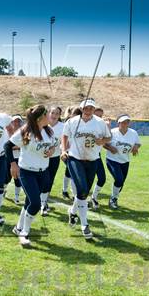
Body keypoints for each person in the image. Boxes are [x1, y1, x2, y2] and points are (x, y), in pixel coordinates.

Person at [5, 105, 55, 246]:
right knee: (35, 203)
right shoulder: (25, 131)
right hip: (27, 172)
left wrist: (51, 150)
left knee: (29, 202)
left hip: (43, 172)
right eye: (47, 114)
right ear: (40, 118)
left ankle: (18, 228)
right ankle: (24, 233)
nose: (49, 116)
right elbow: (7, 146)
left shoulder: (48, 130)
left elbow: (53, 145)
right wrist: (13, 165)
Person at [61, 98, 111, 239]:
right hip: (75, 159)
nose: (88, 110)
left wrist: (102, 141)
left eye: (91, 108)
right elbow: (64, 136)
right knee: (82, 189)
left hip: (93, 160)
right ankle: (85, 225)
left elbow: (108, 137)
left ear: (94, 109)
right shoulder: (72, 121)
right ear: (81, 108)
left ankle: (72, 211)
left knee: (84, 193)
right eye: (86, 108)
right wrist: (64, 150)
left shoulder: (100, 123)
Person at [104, 114, 141, 209]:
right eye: (123, 122)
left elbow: (137, 143)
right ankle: (113, 199)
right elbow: (103, 143)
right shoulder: (112, 132)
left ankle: (113, 198)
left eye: (127, 122)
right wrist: (110, 147)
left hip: (125, 161)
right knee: (119, 179)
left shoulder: (133, 133)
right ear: (118, 123)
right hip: (112, 160)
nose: (125, 124)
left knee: (121, 183)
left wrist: (136, 147)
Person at [40, 106, 64, 216]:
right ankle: (39, 201)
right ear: (48, 113)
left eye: (57, 113)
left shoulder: (63, 127)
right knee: (41, 179)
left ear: (60, 116)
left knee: (49, 180)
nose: (54, 115)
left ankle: (43, 203)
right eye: (52, 112)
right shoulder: (42, 125)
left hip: (54, 157)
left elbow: (65, 141)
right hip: (40, 157)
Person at [90, 107, 110, 209]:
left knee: (102, 179)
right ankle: (81, 201)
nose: (99, 118)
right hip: (84, 157)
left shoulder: (101, 125)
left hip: (97, 156)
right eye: (97, 115)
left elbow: (107, 139)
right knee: (86, 181)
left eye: (101, 116)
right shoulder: (87, 124)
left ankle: (93, 197)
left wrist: (108, 128)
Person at [61, 106, 81, 200]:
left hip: (77, 153)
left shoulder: (81, 125)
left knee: (69, 172)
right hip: (67, 152)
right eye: (75, 115)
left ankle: (64, 190)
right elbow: (64, 138)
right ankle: (75, 195)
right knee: (73, 173)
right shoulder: (68, 123)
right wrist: (64, 149)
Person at [4, 114, 24, 204]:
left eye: (18, 121)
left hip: (19, 158)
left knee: (18, 178)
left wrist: (14, 147)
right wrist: (16, 146)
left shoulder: (23, 132)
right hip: (8, 157)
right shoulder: (6, 132)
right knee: (7, 177)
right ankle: (3, 190)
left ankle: (16, 197)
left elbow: (25, 144)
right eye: (14, 121)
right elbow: (5, 146)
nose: (16, 123)